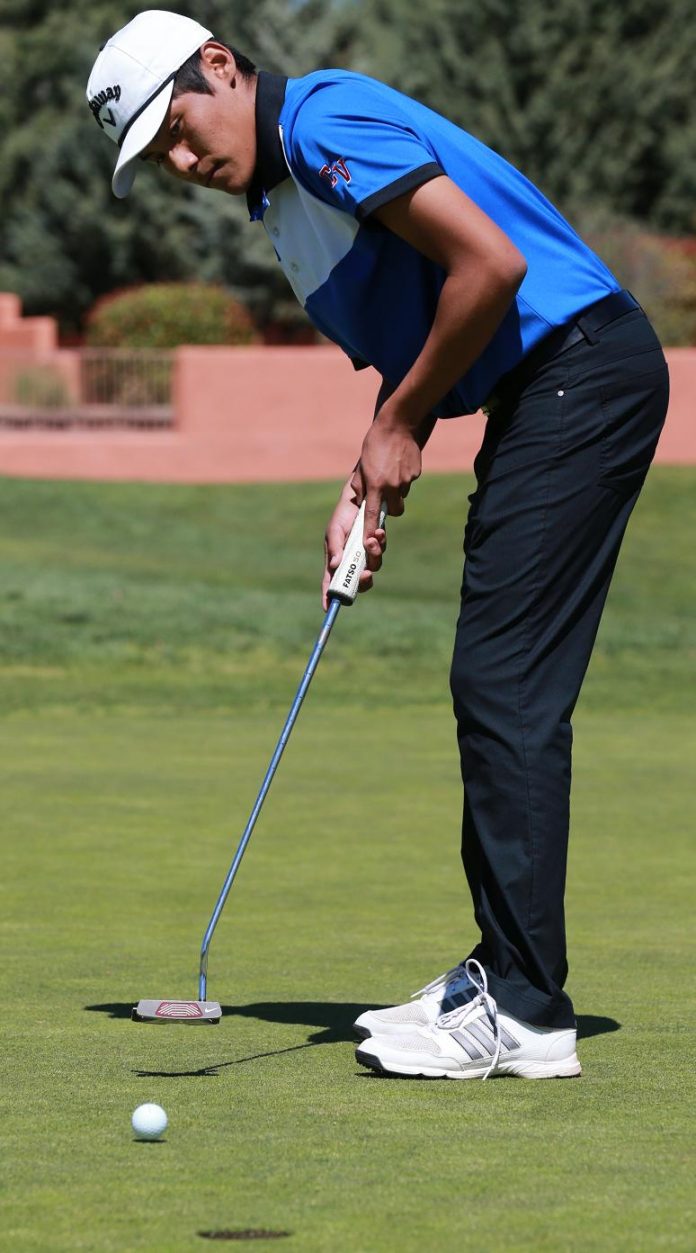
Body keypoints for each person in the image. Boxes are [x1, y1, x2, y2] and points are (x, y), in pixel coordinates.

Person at [87, 11, 669, 1080]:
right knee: (497, 679)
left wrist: (396, 427)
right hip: (540, 392)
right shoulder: (286, 206)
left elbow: (487, 267)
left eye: (177, 127)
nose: (181, 162)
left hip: (580, 372)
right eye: (158, 159)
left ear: (219, 65)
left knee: (505, 682)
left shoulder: (321, 119)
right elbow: (420, 350)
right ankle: (507, 972)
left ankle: (527, 1011)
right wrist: (369, 480)